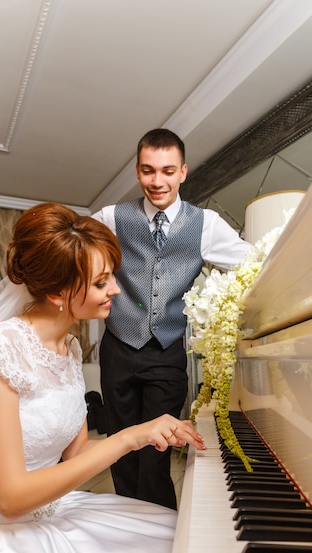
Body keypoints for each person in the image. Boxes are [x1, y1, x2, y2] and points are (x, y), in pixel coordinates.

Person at [0, 202, 205, 553]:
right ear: (58, 293)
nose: (116, 289)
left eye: (113, 274)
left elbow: (76, 453)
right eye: (100, 282)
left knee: (176, 542)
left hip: (52, 507)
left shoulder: (69, 345)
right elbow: (9, 498)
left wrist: (147, 435)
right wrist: (129, 435)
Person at [93, 128, 253, 509]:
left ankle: (160, 528)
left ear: (183, 172)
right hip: (117, 348)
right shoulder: (111, 218)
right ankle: (127, 521)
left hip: (166, 354)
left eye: (167, 171)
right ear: (137, 171)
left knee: (157, 450)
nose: (157, 181)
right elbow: (75, 259)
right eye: (148, 171)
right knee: (120, 445)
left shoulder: (207, 224)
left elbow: (253, 267)